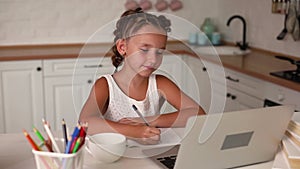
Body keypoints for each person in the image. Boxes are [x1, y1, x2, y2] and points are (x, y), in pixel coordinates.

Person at [79, 8, 206, 145]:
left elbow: (198, 113)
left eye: (159, 52)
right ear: (122, 47)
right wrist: (134, 131)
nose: (153, 59)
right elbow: (85, 122)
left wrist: (151, 120)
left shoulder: (160, 83)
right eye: (145, 50)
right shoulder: (105, 85)